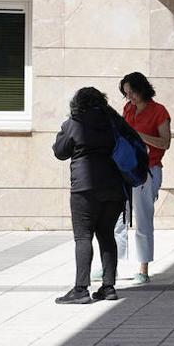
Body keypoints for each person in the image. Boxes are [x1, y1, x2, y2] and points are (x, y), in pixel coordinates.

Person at [52, 87, 142, 304]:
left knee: (83, 236)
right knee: (107, 234)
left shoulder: (74, 122)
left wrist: (64, 129)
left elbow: (60, 152)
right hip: (114, 188)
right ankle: (108, 287)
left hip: (85, 188)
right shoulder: (113, 121)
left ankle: (81, 289)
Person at [110, 72, 171, 285]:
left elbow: (165, 143)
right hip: (126, 169)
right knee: (118, 217)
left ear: (142, 89)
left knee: (143, 218)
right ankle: (113, 265)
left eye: (132, 93)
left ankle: (143, 267)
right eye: (126, 94)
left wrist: (137, 134)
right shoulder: (128, 109)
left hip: (148, 171)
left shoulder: (159, 111)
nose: (130, 98)